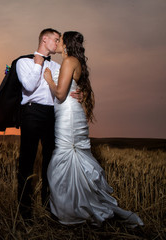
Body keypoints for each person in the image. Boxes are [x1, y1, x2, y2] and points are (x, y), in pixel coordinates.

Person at [43, 31, 144, 227]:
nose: (57, 43)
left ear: (66, 44)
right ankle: (82, 209)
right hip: (68, 114)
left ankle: (77, 212)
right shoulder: (73, 62)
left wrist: (49, 80)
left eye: (60, 40)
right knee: (73, 164)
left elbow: (61, 94)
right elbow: (74, 89)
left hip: (68, 116)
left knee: (62, 161)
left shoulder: (69, 61)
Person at [16, 28, 62, 221]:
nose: (59, 44)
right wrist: (38, 64)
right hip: (31, 113)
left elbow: (62, 91)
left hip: (52, 115)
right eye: (56, 40)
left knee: (51, 163)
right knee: (27, 162)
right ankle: (25, 213)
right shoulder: (23, 62)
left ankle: (49, 207)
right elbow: (28, 86)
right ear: (45, 39)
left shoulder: (58, 67)